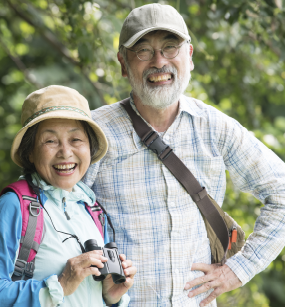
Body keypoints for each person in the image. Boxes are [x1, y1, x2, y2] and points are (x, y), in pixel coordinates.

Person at [82, 3, 285, 307]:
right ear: (123, 64)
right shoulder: (94, 133)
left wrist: (237, 271)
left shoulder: (214, 127)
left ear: (189, 57)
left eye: (170, 47)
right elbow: (55, 213)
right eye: (143, 51)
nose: (159, 62)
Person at [0, 85, 136, 307]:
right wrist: (60, 285)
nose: (65, 152)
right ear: (30, 152)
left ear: (89, 148)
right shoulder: (13, 206)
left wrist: (109, 296)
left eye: (76, 139)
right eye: (50, 141)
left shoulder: (90, 209)